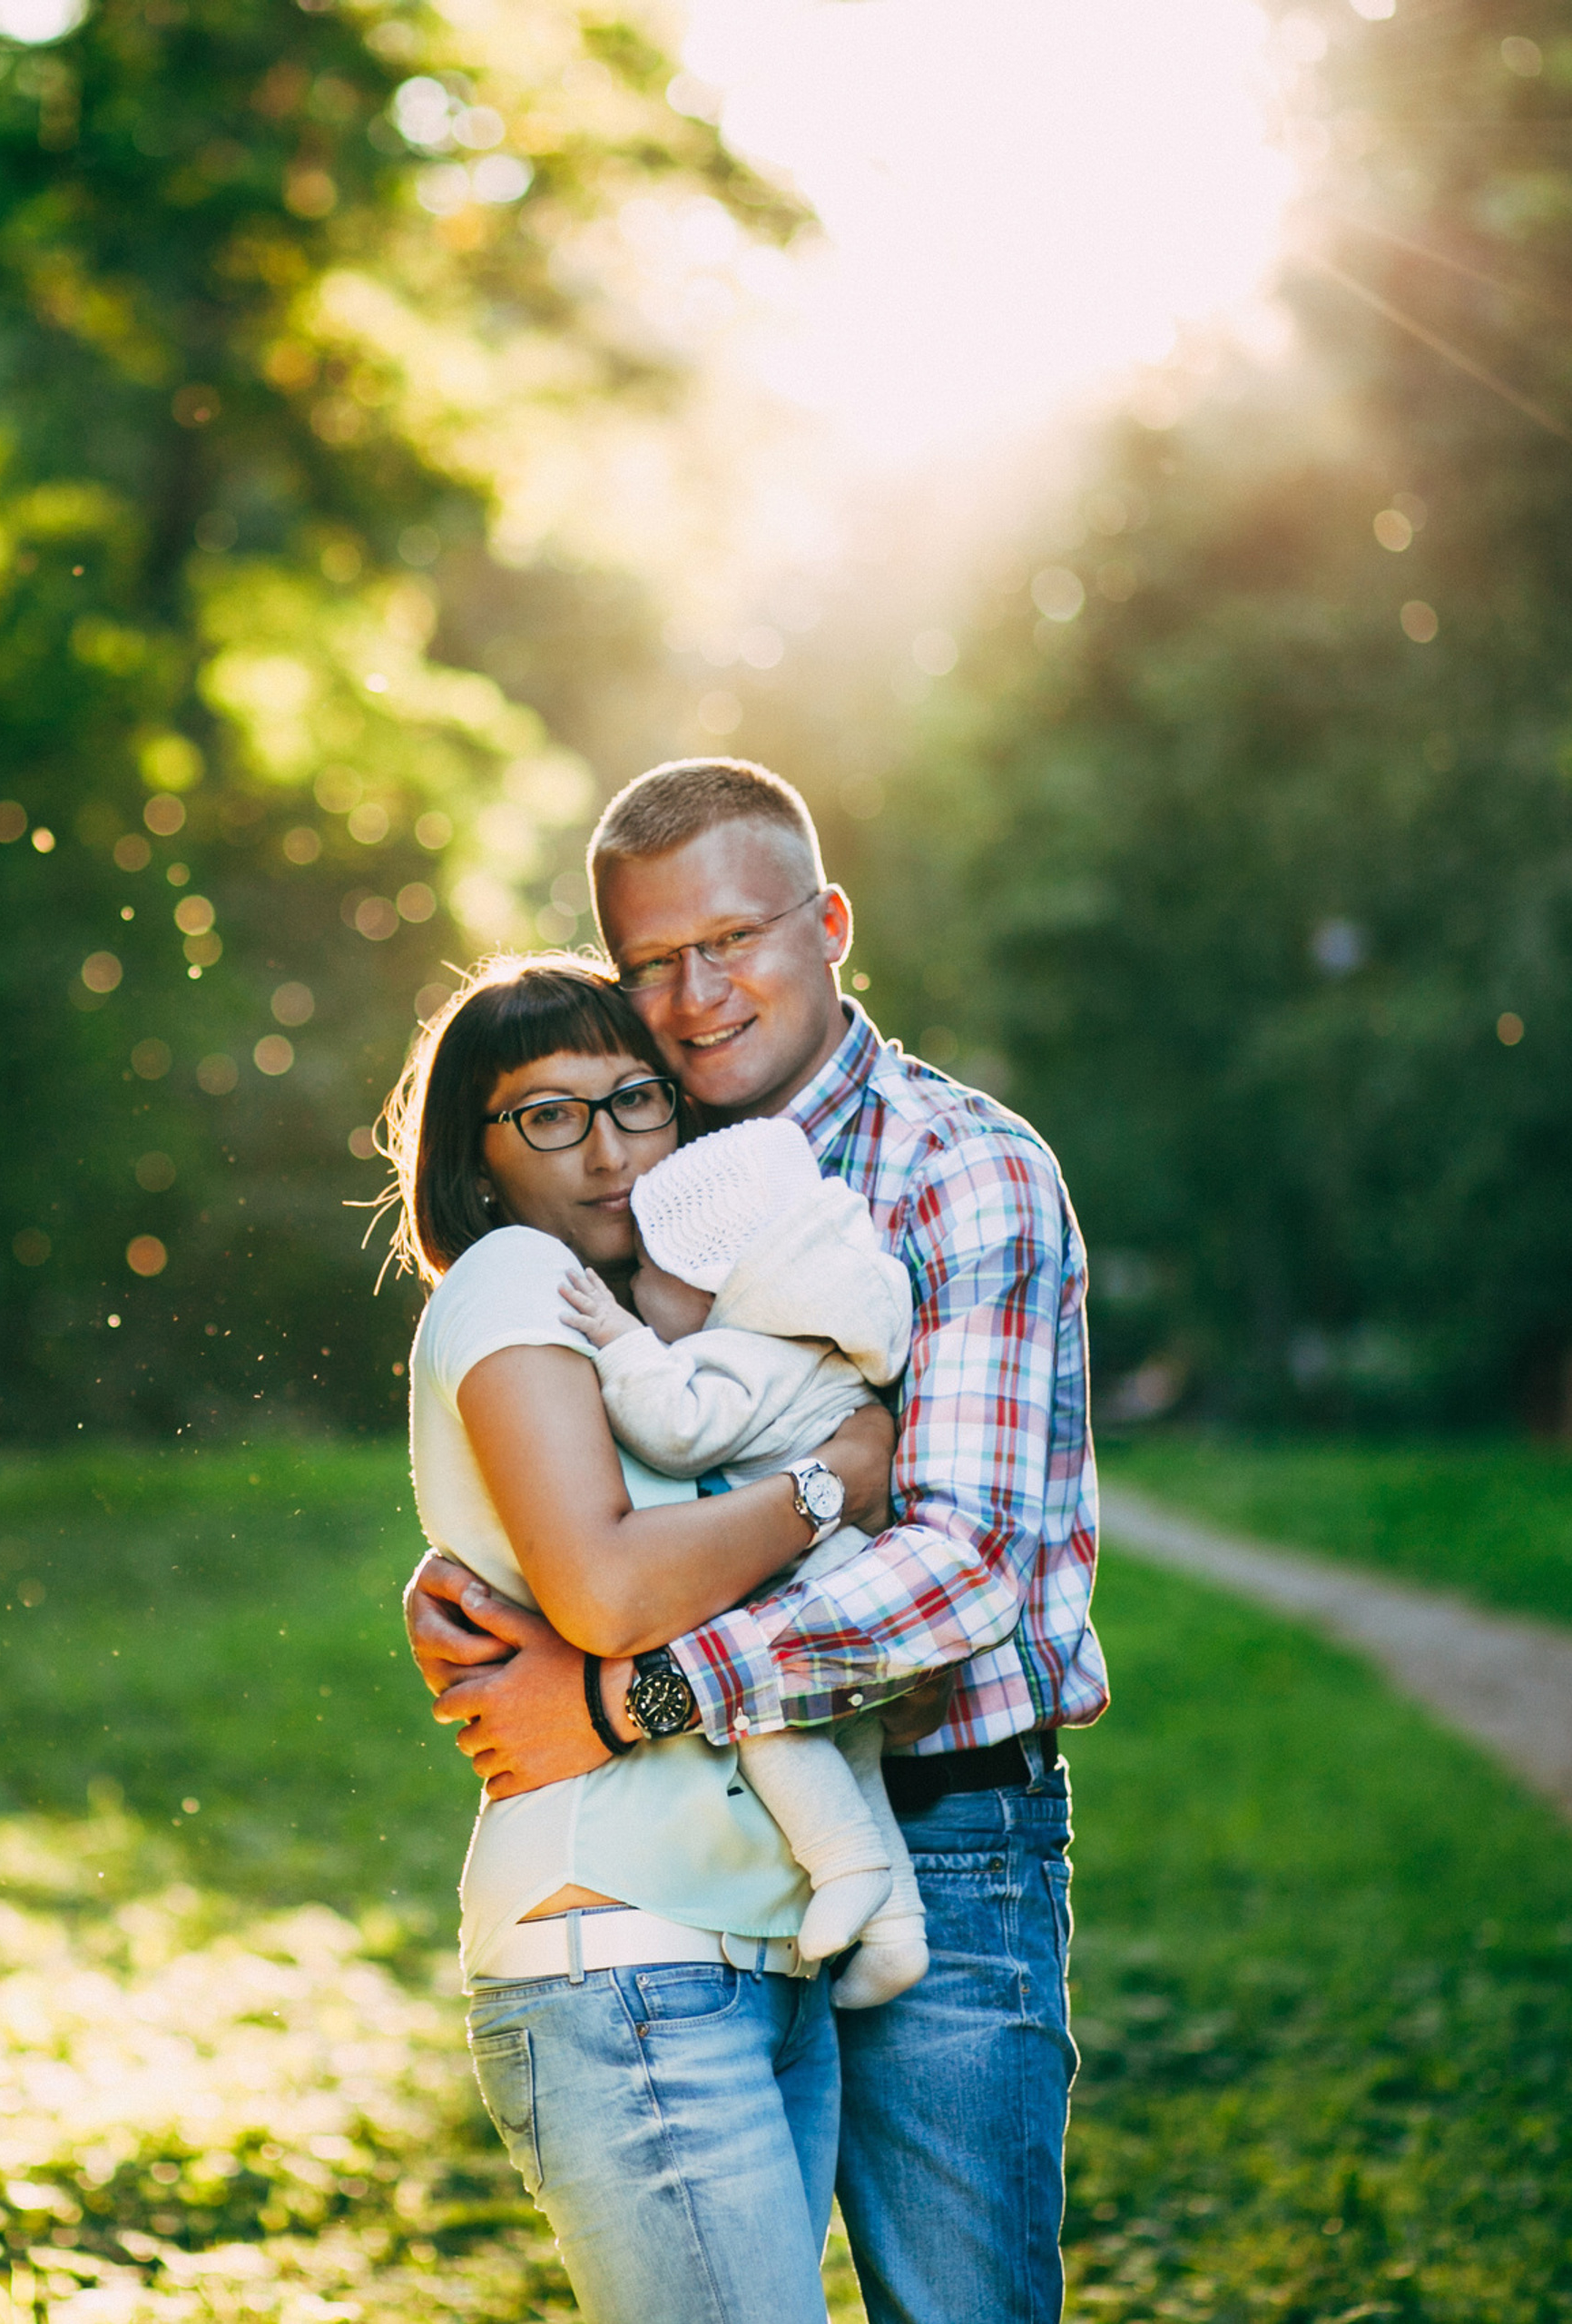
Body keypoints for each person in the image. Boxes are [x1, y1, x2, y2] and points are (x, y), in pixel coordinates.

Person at [408, 757, 1106, 2324]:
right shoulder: (636, 1171)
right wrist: (478, 1571)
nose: (698, 995)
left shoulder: (959, 1169)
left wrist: (627, 1695)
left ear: (833, 922)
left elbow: (968, 1565)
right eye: (653, 959)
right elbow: (591, 1462)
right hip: (702, 1865)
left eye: (735, 939)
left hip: (943, 1833)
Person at [386, 953, 928, 2324]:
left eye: (633, 1100)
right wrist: (828, 1487)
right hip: (621, 1957)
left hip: (754, 1958)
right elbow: (615, 1596)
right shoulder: (518, 1274)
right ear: (476, 1161)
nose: (610, 1149)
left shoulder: (658, 1326)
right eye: (549, 1115)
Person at [557, 1112, 928, 2010]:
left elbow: (680, 1430)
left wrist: (615, 1341)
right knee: (851, 1761)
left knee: (763, 1718)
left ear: (710, 1281)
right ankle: (897, 1931)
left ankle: (842, 1867)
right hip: (851, 1576)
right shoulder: (811, 1340)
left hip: (810, 1587)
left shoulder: (747, 1352)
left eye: (648, 1270)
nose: (637, 1284)